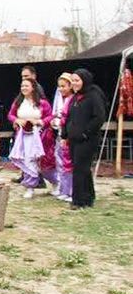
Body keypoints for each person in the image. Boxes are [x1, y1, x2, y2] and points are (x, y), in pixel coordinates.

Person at [62, 69, 108, 210]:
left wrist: (85, 133)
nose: (75, 84)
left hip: (87, 139)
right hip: (73, 139)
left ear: (84, 80)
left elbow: (99, 117)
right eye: (73, 81)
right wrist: (65, 135)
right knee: (82, 169)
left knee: (80, 169)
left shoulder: (93, 95)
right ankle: (88, 197)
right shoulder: (75, 97)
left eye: (77, 81)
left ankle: (78, 200)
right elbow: (69, 117)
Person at [8, 77, 57, 199]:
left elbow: (50, 116)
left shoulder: (42, 103)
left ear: (33, 88)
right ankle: (29, 187)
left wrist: (39, 121)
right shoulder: (18, 102)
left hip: (40, 136)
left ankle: (56, 182)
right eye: (22, 86)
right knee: (27, 160)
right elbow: (10, 115)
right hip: (23, 136)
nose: (24, 88)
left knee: (44, 162)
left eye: (26, 86)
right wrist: (17, 120)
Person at [51, 73, 75, 203]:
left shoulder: (73, 100)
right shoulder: (62, 99)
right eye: (59, 86)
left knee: (68, 163)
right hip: (61, 134)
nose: (61, 89)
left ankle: (70, 191)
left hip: (69, 135)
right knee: (60, 161)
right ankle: (63, 189)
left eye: (63, 86)